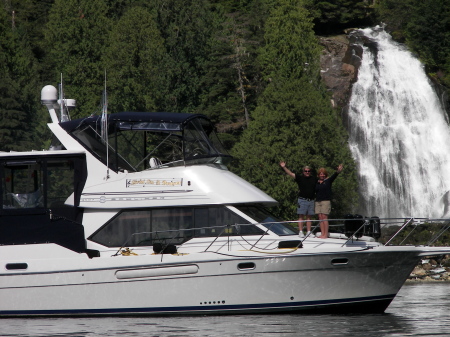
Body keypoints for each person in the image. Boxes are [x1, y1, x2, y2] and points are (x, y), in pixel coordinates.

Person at [279, 161, 317, 238]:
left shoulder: (314, 179)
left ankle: (309, 232)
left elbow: (324, 179)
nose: (307, 172)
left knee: (309, 217)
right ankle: (300, 231)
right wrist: (284, 167)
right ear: (303, 172)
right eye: (305, 171)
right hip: (302, 200)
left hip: (311, 200)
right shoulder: (300, 178)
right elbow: (290, 173)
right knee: (301, 215)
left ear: (310, 172)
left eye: (308, 171)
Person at [315, 164, 343, 239]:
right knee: (320, 217)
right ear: (318, 175)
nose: (322, 175)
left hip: (325, 201)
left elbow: (335, 175)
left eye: (323, 174)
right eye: (321, 174)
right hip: (318, 201)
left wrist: (338, 170)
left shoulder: (328, 181)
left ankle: (325, 234)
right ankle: (322, 233)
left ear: (325, 175)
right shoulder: (316, 182)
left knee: (324, 217)